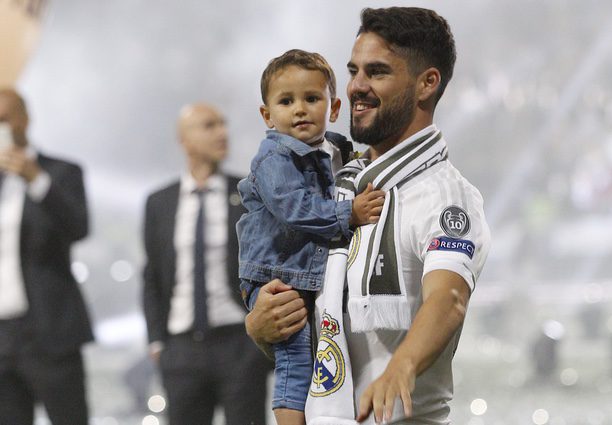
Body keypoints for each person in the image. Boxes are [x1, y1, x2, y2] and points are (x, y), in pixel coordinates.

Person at [245, 7, 491, 424]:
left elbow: (448, 298)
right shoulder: (334, 179)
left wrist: (402, 366)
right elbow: (316, 315)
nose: (357, 86)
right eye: (353, 70)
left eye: (376, 72)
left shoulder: (445, 196)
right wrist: (261, 325)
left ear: (426, 83)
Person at [236, 49, 385, 425]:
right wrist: (348, 213)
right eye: (286, 101)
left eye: (311, 99)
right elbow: (295, 209)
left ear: (334, 107)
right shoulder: (274, 159)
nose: (299, 109)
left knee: (319, 352)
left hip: (306, 272)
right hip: (277, 275)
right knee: (296, 356)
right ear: (267, 115)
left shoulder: (338, 150)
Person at [142, 103, 272, 425]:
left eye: (223, 124)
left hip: (239, 344)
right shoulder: (160, 202)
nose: (222, 132)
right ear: (184, 140)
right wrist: (158, 342)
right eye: (209, 125)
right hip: (181, 350)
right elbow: (153, 277)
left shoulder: (248, 193)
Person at [0, 88, 92, 425]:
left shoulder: (61, 172)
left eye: (3, 118)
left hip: (49, 330)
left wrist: (35, 179)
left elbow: (78, 227)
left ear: (24, 119)